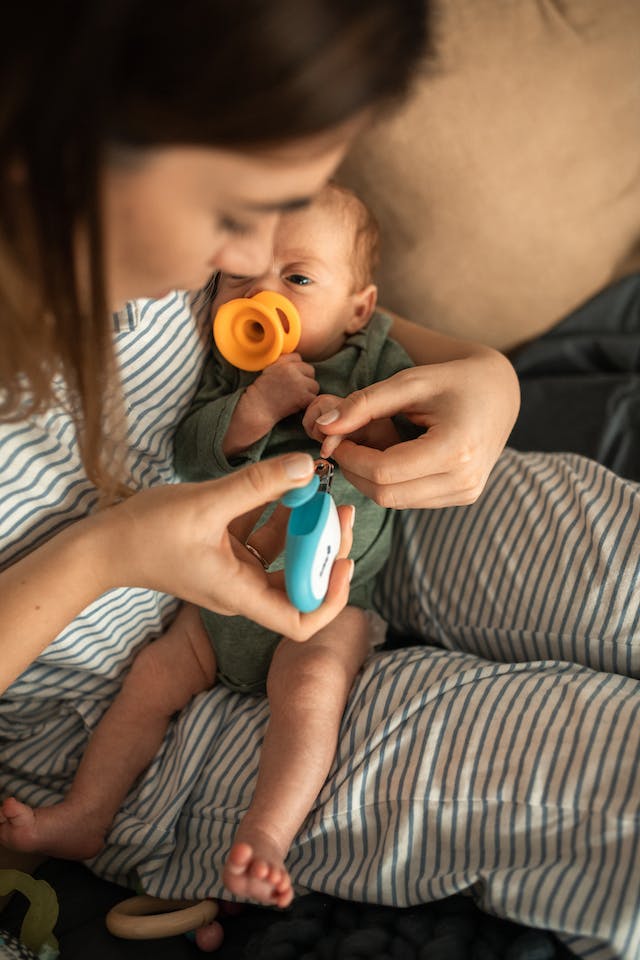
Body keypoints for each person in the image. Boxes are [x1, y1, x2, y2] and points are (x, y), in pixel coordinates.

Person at [1, 3, 637, 959]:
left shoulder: (192, 250)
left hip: (354, 517)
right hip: (127, 713)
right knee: (603, 780)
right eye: (231, 216)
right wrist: (106, 555)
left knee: (606, 556)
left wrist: (481, 374)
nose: (253, 270)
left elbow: (335, 317)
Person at [0, 181, 417, 908]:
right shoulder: (225, 371)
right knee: (151, 683)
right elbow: (193, 455)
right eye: (239, 282)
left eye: (296, 279)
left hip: (323, 607)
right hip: (208, 603)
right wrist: (253, 408)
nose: (264, 293)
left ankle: (266, 834)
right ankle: (86, 815)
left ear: (359, 307)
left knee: (313, 690)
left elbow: (407, 441)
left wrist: (363, 424)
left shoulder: (377, 356)